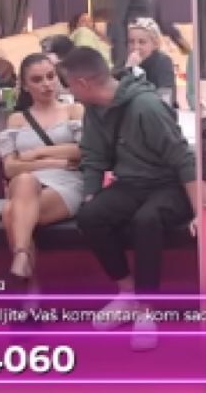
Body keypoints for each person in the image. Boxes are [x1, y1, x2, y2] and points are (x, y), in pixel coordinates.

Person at [59, 46, 197, 351]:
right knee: (90, 216)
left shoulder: (146, 106)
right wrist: (92, 195)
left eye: (69, 85)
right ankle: (128, 294)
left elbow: (182, 158)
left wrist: (198, 210)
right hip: (131, 183)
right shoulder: (94, 110)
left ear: (83, 83)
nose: (68, 92)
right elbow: (93, 156)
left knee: (146, 220)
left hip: (169, 185)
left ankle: (147, 309)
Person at [0, 54, 84, 299]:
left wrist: (37, 153)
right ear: (25, 86)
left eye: (50, 76)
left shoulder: (73, 110)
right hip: (27, 184)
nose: (47, 84)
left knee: (11, 212)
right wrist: (54, 161)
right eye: (37, 80)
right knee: (24, 181)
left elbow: (83, 151)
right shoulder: (16, 119)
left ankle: (27, 279)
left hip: (66, 183)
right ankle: (24, 260)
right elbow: (10, 168)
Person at [125, 17, 177, 107]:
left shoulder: (163, 62)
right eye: (131, 42)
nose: (135, 47)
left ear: (155, 44)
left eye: (142, 42)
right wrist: (129, 69)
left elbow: (165, 99)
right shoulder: (126, 61)